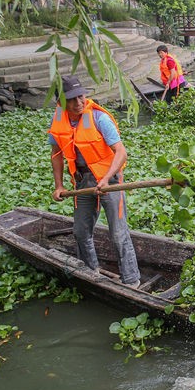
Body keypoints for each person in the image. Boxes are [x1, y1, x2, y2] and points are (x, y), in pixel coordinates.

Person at [48, 75, 141, 288]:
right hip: (82, 182)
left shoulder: (99, 118)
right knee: (80, 231)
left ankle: (132, 281)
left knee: (118, 234)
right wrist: (59, 185)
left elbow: (121, 152)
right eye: (71, 99)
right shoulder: (58, 120)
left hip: (110, 180)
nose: (78, 103)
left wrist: (107, 178)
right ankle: (91, 272)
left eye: (81, 96)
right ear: (60, 102)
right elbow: (56, 154)